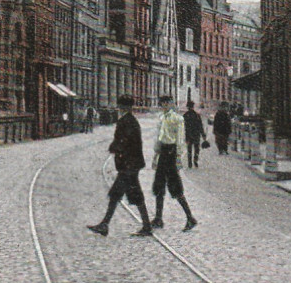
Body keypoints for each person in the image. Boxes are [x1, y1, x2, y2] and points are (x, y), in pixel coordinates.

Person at [87, 95, 153, 238]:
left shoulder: (126, 121)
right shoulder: (132, 120)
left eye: (120, 105)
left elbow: (124, 141)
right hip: (131, 165)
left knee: (121, 195)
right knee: (122, 195)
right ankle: (107, 224)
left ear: (123, 107)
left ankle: (107, 225)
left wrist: (115, 147)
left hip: (129, 165)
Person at [151, 95, 197, 232]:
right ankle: (158, 218)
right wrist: (156, 155)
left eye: (167, 103)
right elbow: (159, 138)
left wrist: (178, 157)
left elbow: (180, 139)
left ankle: (190, 218)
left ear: (171, 103)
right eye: (162, 103)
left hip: (171, 153)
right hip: (162, 153)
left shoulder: (178, 119)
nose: (164, 105)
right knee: (159, 186)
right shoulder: (162, 118)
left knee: (175, 187)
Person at [183, 100, 206, 168]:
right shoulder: (197, 115)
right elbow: (200, 126)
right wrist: (203, 135)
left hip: (189, 135)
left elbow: (183, 126)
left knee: (189, 149)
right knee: (196, 149)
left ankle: (189, 162)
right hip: (196, 134)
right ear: (193, 107)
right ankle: (195, 160)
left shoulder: (185, 115)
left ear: (187, 107)